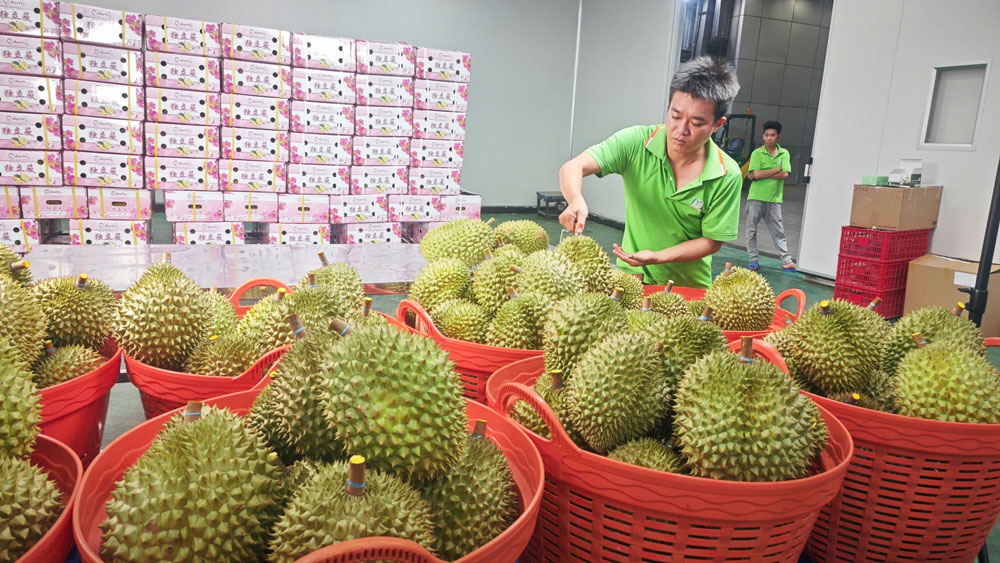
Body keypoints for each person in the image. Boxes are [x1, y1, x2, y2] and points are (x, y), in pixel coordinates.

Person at [557, 56, 742, 289]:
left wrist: (658, 256)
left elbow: (711, 241)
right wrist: (575, 200)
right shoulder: (637, 142)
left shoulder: (726, 174)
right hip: (631, 278)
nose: (681, 130)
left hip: (687, 289)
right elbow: (573, 166)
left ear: (717, 124)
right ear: (668, 107)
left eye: (696, 123)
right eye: (675, 116)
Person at [745, 120, 796, 272]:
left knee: (778, 231)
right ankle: (753, 259)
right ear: (763, 136)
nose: (769, 138)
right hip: (756, 197)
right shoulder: (757, 153)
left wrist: (762, 175)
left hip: (774, 199)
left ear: (778, 136)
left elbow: (785, 174)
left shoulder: (784, 153)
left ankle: (786, 261)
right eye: (766, 135)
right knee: (751, 230)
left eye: (772, 135)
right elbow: (756, 173)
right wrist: (777, 169)